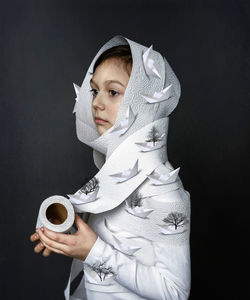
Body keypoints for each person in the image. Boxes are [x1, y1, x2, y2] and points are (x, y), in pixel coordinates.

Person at [30, 35, 191, 300]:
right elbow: (118, 240)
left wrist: (93, 251)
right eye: (94, 90)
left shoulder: (164, 192)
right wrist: (67, 232)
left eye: (113, 92)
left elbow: (175, 293)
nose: (96, 103)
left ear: (145, 102)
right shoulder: (113, 179)